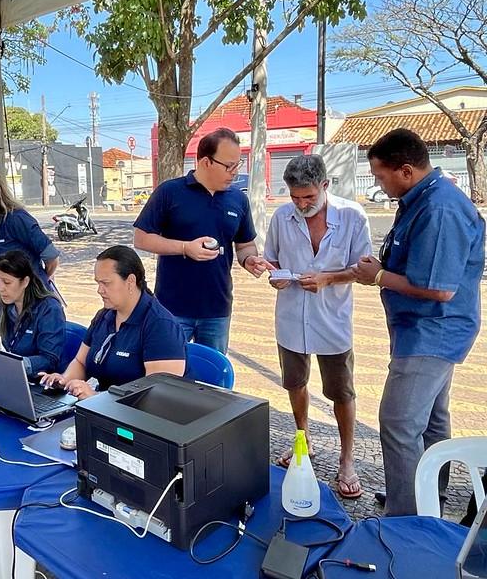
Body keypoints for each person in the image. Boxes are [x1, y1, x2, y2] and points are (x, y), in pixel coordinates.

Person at [353, 128, 484, 516]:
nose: (378, 183)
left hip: (433, 331)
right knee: (431, 419)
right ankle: (427, 496)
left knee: (398, 421)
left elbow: (438, 288)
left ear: (406, 171)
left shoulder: (440, 207)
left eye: (380, 176)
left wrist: (377, 276)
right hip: (423, 328)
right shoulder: (421, 199)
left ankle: (407, 518)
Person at [264, 154, 372, 499]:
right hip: (292, 316)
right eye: (295, 197)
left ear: (325, 186)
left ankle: (347, 458)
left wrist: (329, 279)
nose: (301, 204)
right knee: (295, 383)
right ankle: (303, 439)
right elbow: (274, 261)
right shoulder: (282, 217)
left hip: (332, 319)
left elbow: (365, 270)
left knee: (341, 392)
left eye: (309, 197)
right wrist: (276, 278)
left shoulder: (353, 216)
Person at [133, 128, 274, 353]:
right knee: (168, 377)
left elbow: (245, 244)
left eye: (238, 165)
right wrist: (184, 248)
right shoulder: (170, 192)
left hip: (217, 309)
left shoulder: (238, 199)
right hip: (172, 308)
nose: (235, 173)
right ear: (206, 162)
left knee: (212, 382)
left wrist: (250, 261)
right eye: (229, 166)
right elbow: (141, 239)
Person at [40, 245, 186, 399]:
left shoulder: (160, 326)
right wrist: (64, 380)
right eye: (98, 283)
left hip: (140, 418)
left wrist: (96, 398)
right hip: (105, 408)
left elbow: (156, 397)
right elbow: (81, 362)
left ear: (130, 281)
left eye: (106, 283)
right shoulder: (104, 316)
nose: (99, 290)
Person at [0, 168, 60, 295]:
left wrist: (38, 281)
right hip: (11, 299)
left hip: (34, 301)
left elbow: (51, 257)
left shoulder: (16, 219)